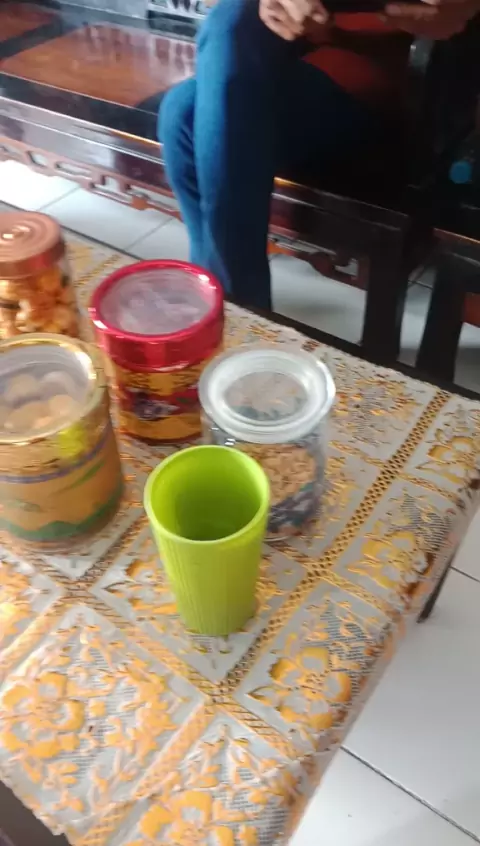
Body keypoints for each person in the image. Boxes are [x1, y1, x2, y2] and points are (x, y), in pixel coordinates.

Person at [158, 0, 479, 311]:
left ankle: (231, 309)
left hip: (392, 91)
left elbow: (453, 14)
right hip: (294, 66)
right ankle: (230, 303)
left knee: (230, 23)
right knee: (181, 112)